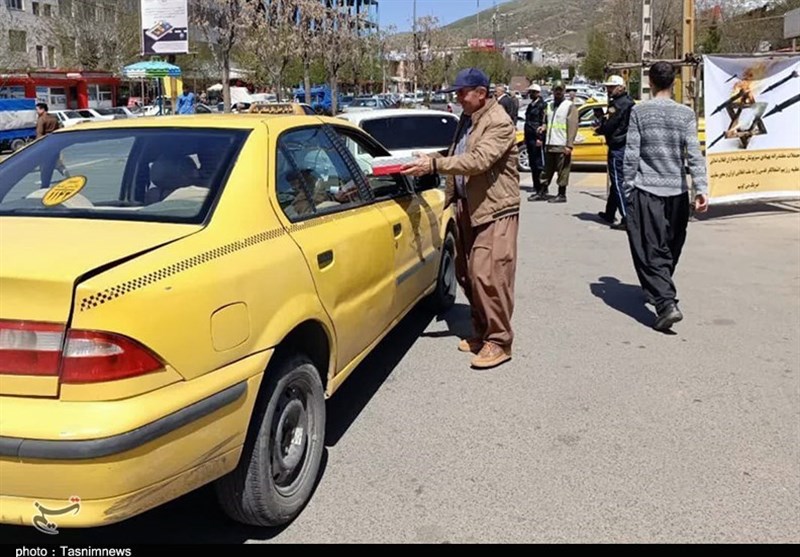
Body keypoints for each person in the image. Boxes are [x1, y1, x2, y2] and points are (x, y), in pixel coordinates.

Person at [402, 68, 520, 370]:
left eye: (462, 93)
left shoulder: (498, 122)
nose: (457, 99)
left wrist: (433, 166)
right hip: (469, 207)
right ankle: (482, 332)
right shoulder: (470, 119)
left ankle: (500, 340)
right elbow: (460, 152)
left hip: (495, 209)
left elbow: (478, 160)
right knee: (467, 273)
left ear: (481, 93)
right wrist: (428, 158)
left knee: (489, 275)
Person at [622, 61, 709, 332]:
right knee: (671, 246)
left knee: (649, 248)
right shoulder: (685, 114)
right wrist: (701, 189)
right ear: (674, 82)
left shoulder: (640, 111)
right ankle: (660, 290)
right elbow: (694, 154)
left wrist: (627, 187)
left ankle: (665, 303)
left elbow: (632, 153)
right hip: (677, 193)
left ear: (650, 82)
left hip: (648, 191)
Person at [595, 75, 635, 230]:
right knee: (616, 181)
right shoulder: (629, 102)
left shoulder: (618, 104)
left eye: (611, 87)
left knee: (618, 182)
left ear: (620, 87)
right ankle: (609, 212)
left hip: (618, 145)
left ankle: (626, 217)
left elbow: (611, 124)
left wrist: (600, 127)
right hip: (625, 144)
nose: (608, 90)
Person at [530, 80, 578, 203]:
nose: (557, 92)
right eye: (556, 90)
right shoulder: (549, 105)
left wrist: (569, 145)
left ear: (563, 91)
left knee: (563, 170)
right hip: (550, 143)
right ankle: (542, 191)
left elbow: (572, 127)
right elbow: (546, 121)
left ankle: (561, 194)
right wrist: (543, 127)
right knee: (547, 169)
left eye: (560, 90)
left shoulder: (569, 106)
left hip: (562, 144)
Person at [523, 83, 546, 197]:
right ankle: (536, 187)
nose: (530, 94)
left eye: (532, 92)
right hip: (530, 137)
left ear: (537, 93)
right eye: (530, 92)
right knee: (533, 164)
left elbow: (542, 123)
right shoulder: (531, 105)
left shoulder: (542, 105)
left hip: (536, 138)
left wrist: (540, 138)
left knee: (538, 165)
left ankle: (541, 189)